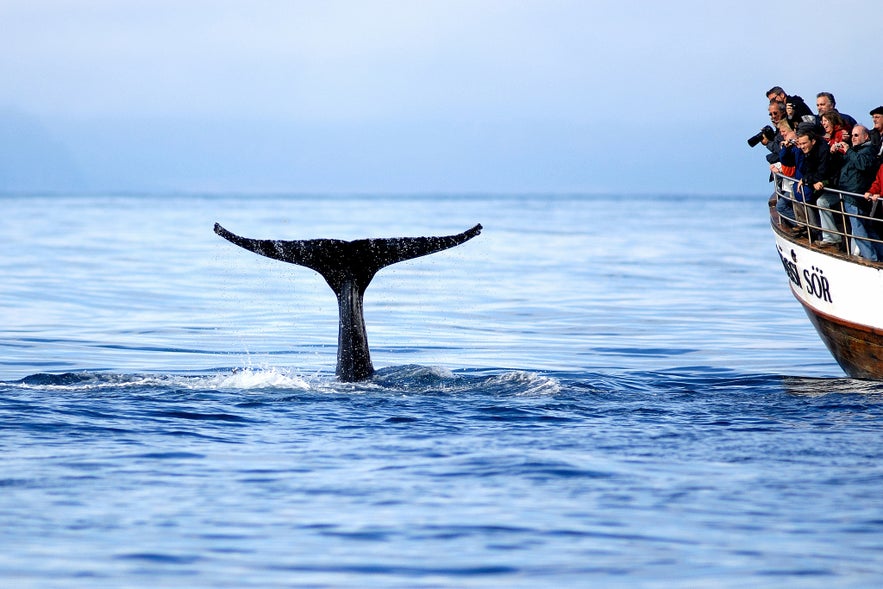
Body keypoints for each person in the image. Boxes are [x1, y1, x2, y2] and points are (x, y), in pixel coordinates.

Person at [818, 125, 881, 259]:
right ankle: (879, 255)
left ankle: (872, 258)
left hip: (855, 195)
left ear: (866, 136)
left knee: (859, 230)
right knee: (866, 228)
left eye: (856, 135)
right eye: (852, 135)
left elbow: (863, 164)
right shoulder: (856, 150)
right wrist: (834, 153)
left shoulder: (868, 150)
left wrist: (848, 151)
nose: (853, 138)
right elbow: (842, 167)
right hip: (848, 193)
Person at [795, 130, 836, 246]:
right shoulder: (809, 152)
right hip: (820, 183)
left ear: (813, 141)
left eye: (804, 143)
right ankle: (817, 232)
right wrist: (808, 180)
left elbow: (823, 172)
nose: (802, 146)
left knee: (819, 201)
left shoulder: (822, 151)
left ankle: (826, 236)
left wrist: (808, 180)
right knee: (802, 195)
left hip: (833, 185)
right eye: (800, 144)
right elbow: (807, 170)